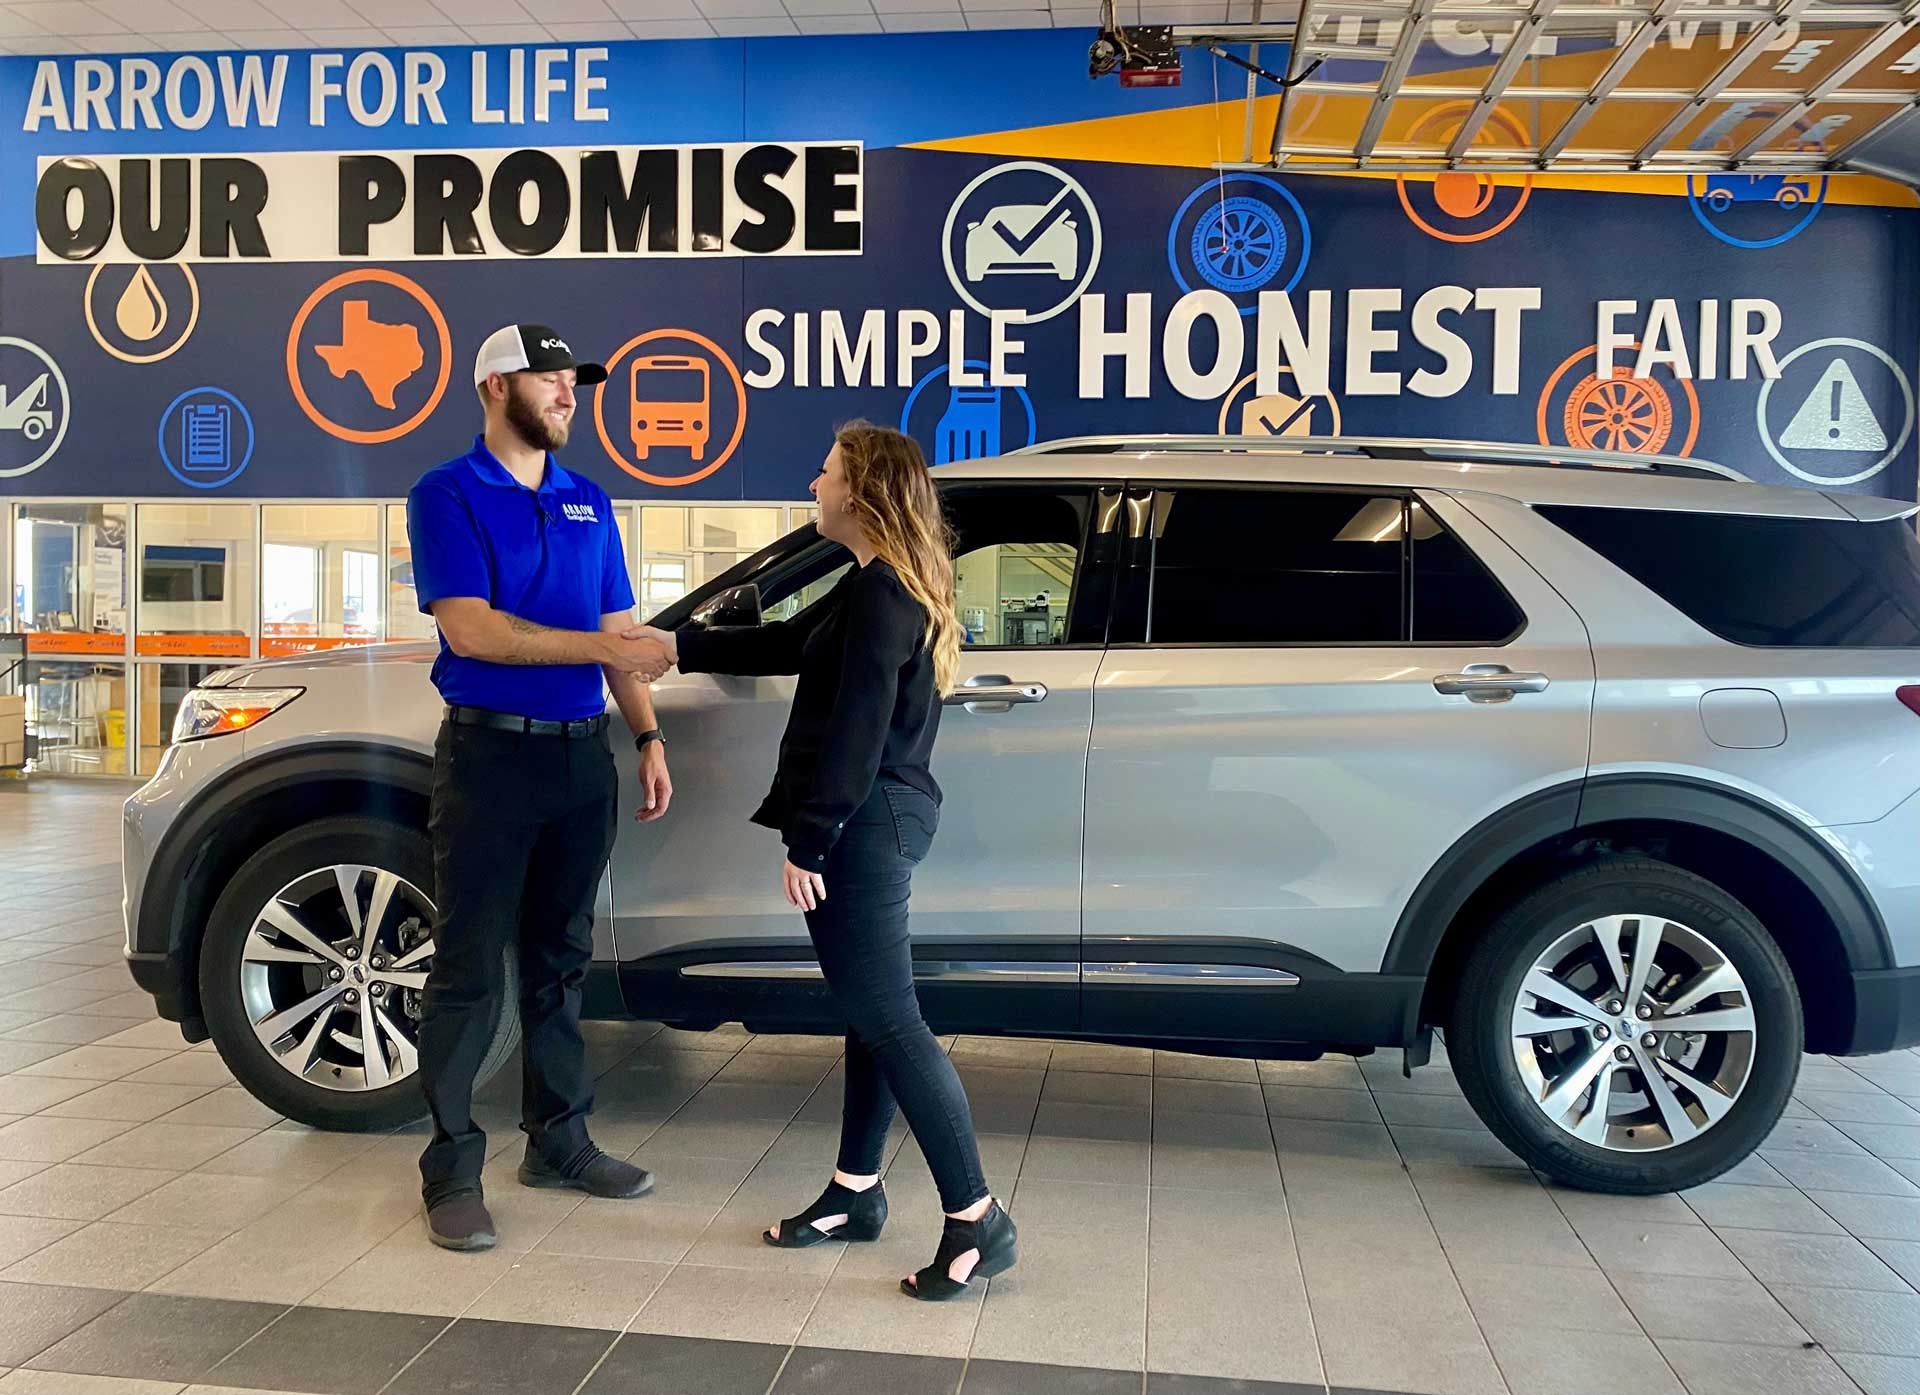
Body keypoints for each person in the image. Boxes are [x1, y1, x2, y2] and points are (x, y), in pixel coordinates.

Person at [633, 421, 1018, 1301]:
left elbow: (859, 727)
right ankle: (856, 1191)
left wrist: (812, 837)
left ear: (862, 491)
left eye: (826, 471)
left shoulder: (884, 593)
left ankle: (977, 1215)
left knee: (891, 1019)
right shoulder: (875, 584)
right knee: (871, 1012)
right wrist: (676, 646)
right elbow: (785, 643)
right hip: (883, 814)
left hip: (865, 820)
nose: (814, 483)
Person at [404, 323, 675, 1252]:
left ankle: (558, 1140)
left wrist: (646, 732)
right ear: (495, 386)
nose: (569, 394)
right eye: (550, 378)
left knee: (561, 961)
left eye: (574, 381)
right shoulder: (446, 493)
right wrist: (607, 649)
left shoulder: (587, 500)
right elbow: (473, 631)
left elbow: (619, 627)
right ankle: (451, 1169)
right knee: (469, 967)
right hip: (490, 759)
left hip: (580, 758)